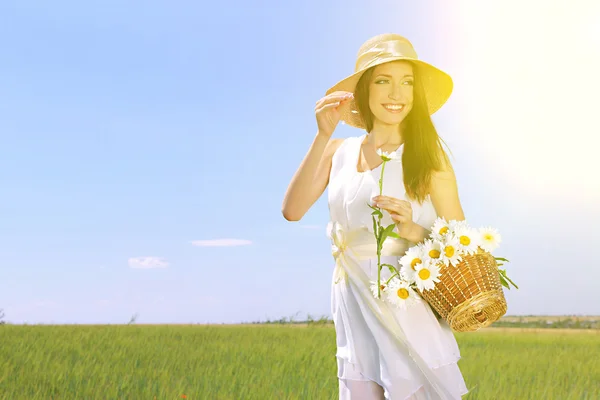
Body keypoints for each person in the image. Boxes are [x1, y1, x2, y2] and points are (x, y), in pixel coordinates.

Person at [282, 33, 471, 399]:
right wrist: (322, 135)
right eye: (384, 81)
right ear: (365, 91)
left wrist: (413, 228)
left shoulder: (428, 157)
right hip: (351, 297)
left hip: (405, 300)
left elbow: (459, 241)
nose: (396, 94)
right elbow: (292, 210)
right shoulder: (337, 151)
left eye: (407, 83)